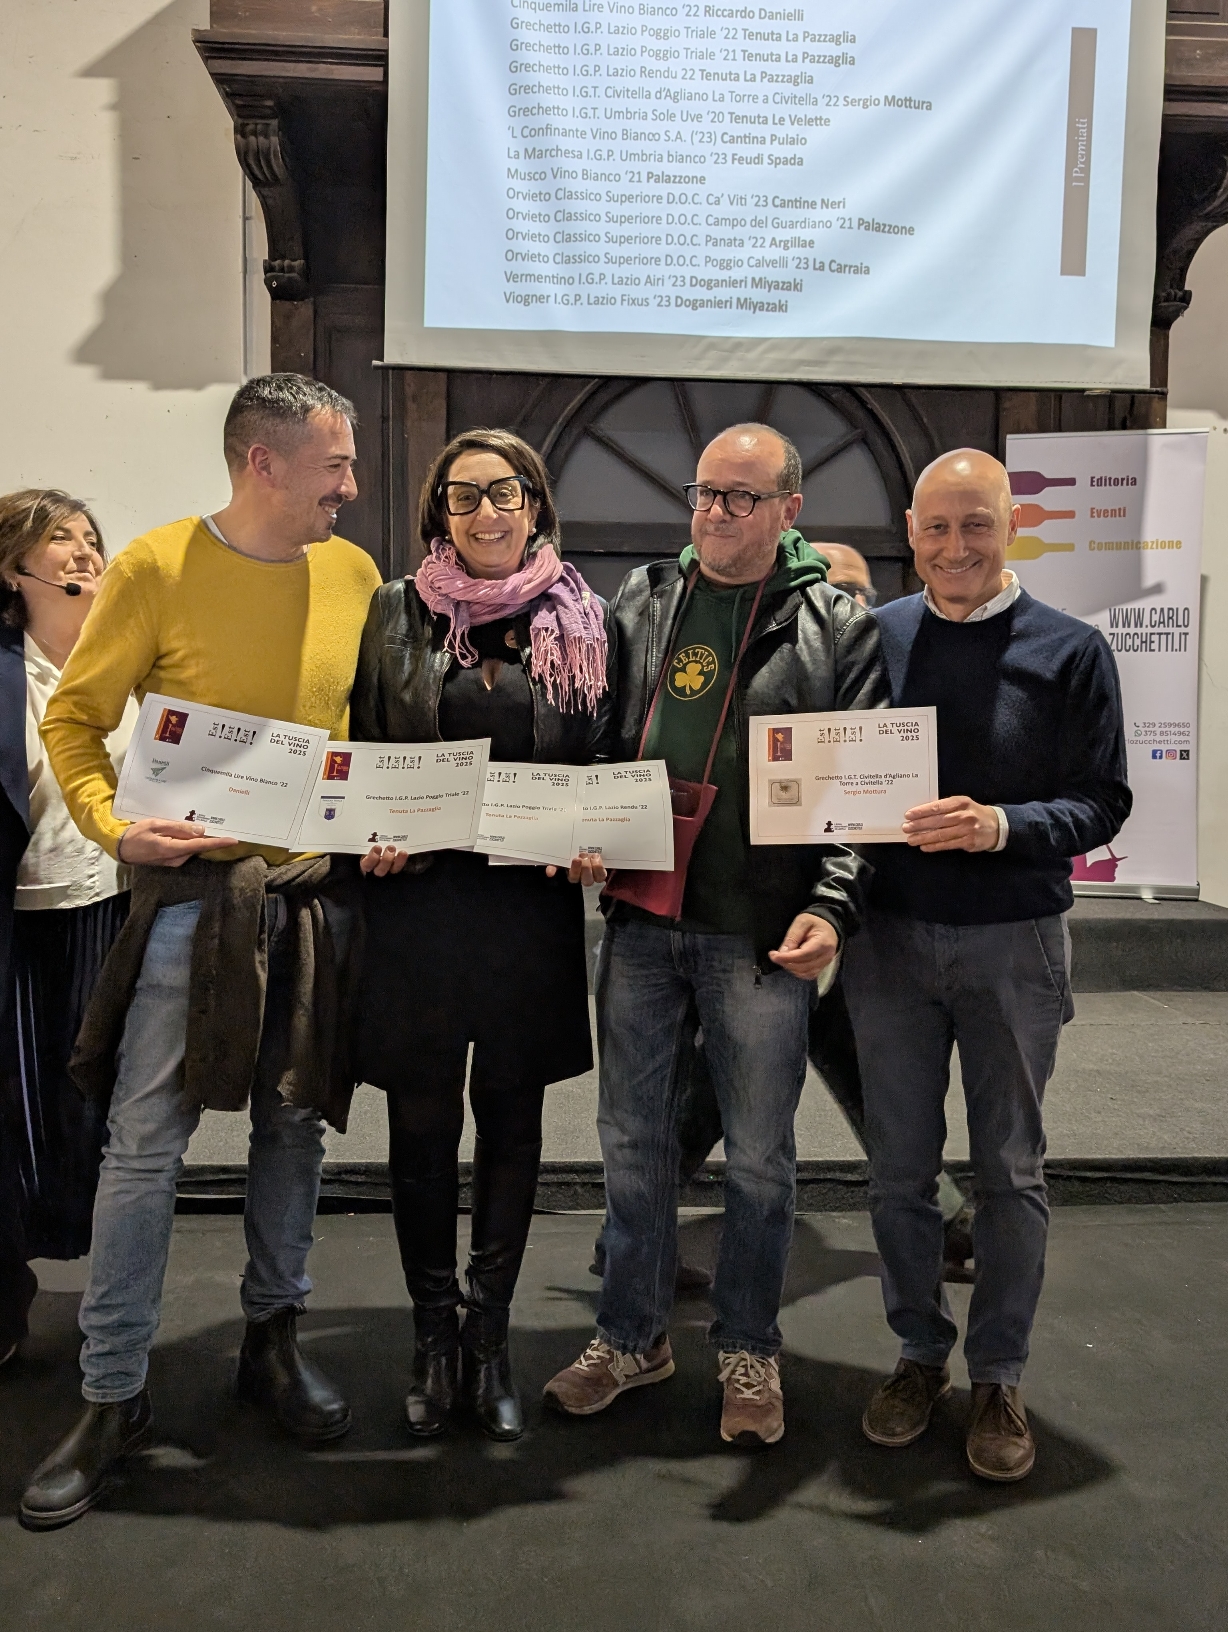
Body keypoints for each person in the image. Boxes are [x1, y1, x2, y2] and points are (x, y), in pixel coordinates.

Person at [20, 374, 382, 1531]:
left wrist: (383, 818)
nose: (351, 486)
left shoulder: (355, 575)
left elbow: (361, 734)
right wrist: (117, 825)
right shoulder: (158, 567)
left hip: (313, 904)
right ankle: (111, 1392)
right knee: (143, 1147)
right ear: (261, 463)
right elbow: (73, 722)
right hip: (188, 907)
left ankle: (271, 1343)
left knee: (292, 1131)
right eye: (333, 465)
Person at [544, 424, 890, 1447]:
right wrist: (585, 831)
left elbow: (862, 791)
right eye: (704, 494)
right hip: (643, 921)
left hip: (758, 929)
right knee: (632, 1144)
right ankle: (631, 1336)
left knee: (758, 1159)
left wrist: (830, 905)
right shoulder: (646, 599)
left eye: (741, 499)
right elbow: (605, 741)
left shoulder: (837, 622)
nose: (714, 515)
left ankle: (748, 1348)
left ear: (789, 510)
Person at [846, 449, 1131, 1482]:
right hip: (888, 945)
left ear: (1012, 525)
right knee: (895, 1174)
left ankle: (999, 1371)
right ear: (909, 532)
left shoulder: (1071, 651)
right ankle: (919, 1354)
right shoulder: (873, 640)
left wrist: (1003, 824)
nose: (955, 548)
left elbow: (1103, 802)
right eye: (935, 528)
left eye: (975, 526)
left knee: (1008, 1171)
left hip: (1013, 939)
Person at [350, 429, 612, 1443]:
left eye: (504, 494)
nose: (486, 513)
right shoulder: (392, 610)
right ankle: (431, 1333)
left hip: (525, 914)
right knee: (420, 1131)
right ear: (439, 515)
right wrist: (360, 833)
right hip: (413, 908)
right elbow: (363, 743)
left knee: (511, 1128)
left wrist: (597, 841)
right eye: (463, 499)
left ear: (536, 505)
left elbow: (602, 760)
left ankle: (490, 1335)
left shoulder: (583, 620)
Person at [0, 492, 137, 1365]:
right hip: (17, 918)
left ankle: (118, 1301)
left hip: (113, 906)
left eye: (92, 540)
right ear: (14, 567)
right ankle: (6, 1292)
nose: (84, 554)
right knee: (10, 1112)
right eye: (61, 541)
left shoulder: (133, 664)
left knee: (104, 1107)